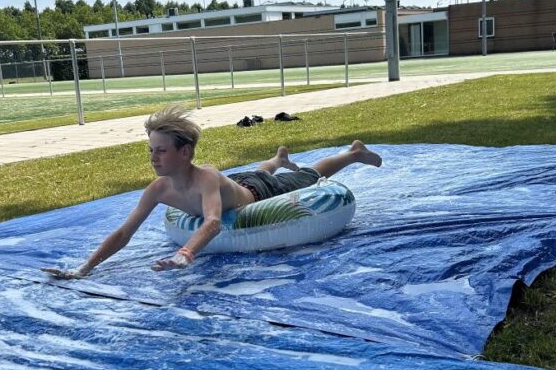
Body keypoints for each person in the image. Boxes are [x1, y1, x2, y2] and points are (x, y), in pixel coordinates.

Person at [42, 104, 382, 279]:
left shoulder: (205, 178)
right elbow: (123, 232)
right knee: (256, 171)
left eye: (160, 150)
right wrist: (84, 268)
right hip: (240, 182)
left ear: (185, 152)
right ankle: (276, 159)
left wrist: (185, 254)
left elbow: (214, 221)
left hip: (260, 192)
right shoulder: (158, 189)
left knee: (308, 174)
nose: (153, 158)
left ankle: (352, 153)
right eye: (150, 150)